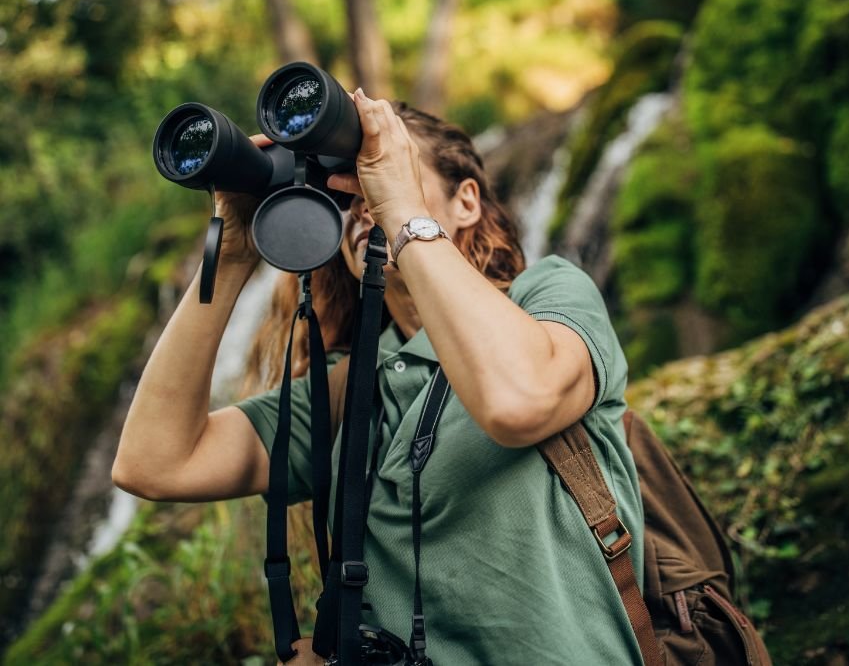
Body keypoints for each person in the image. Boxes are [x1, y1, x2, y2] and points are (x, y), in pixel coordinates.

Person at [113, 89, 645, 664]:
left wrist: (401, 207)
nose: (366, 203)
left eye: (385, 174)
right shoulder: (352, 388)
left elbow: (518, 401)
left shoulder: (547, 299)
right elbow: (154, 462)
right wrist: (236, 252)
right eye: (349, 193)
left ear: (466, 202)